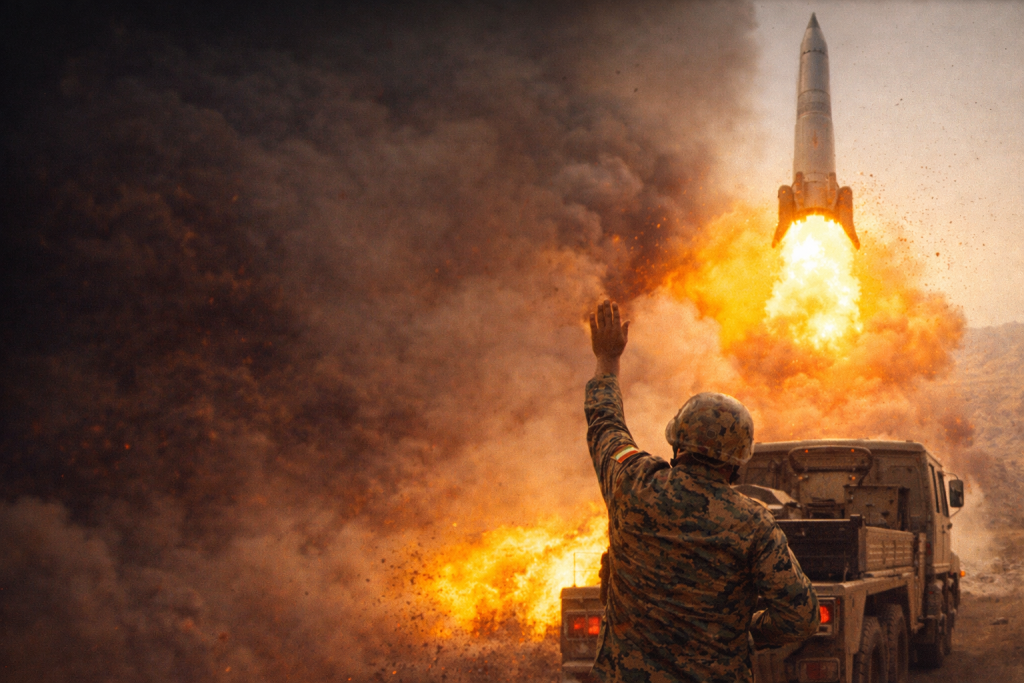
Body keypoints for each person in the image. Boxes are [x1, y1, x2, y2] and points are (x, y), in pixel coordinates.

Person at [585, 299, 819, 683]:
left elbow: (604, 423)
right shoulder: (753, 524)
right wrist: (748, 631)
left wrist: (607, 359)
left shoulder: (631, 481)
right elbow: (801, 618)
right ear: (738, 461)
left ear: (677, 444)